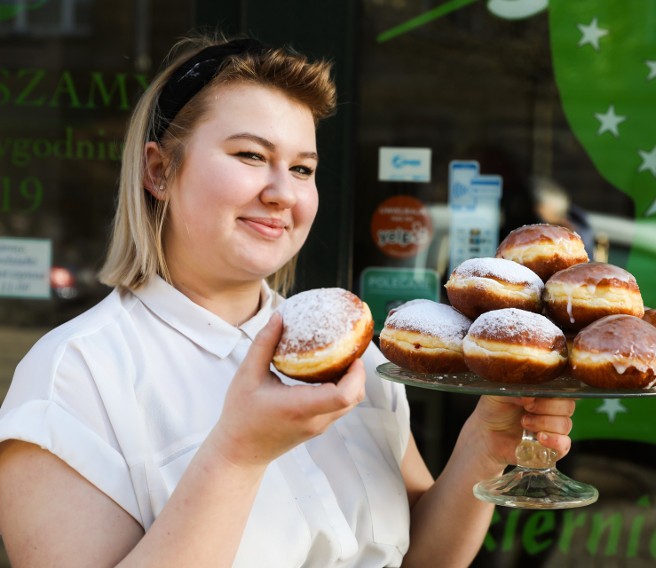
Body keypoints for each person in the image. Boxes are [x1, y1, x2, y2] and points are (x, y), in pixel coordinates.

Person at [0, 35, 576, 567]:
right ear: (158, 169)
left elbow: (423, 557)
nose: (282, 193)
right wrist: (236, 455)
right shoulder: (74, 379)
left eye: (303, 168)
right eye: (250, 156)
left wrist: (483, 445)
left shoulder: (353, 355)